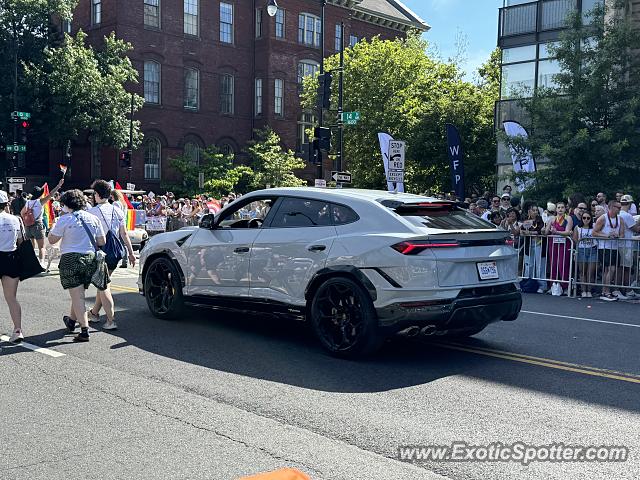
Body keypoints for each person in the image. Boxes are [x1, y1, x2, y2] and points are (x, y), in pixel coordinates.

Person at [48, 189, 107, 342]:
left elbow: (52, 240)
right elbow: (102, 242)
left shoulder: (64, 219)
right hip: (90, 258)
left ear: (67, 204)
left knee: (78, 296)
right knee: (79, 293)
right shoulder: (93, 218)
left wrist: (54, 228)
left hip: (70, 259)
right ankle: (71, 321)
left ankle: (84, 330)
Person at [87, 180, 136, 330]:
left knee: (104, 286)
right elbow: (124, 234)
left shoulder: (92, 212)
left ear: (97, 194)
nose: (93, 196)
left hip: (101, 252)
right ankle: (94, 313)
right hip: (116, 252)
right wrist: (131, 253)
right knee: (103, 283)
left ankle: (110, 320)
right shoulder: (118, 210)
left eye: (94, 193)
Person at [21, 178, 65, 265]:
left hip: (28, 225)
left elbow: (22, 213)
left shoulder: (28, 202)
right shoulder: (40, 201)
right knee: (41, 247)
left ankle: (31, 262)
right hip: (37, 224)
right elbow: (51, 194)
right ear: (40, 194)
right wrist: (58, 186)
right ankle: (41, 263)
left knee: (32, 246)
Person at [0, 190, 25, 343]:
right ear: (6, 204)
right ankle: (18, 330)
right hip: (11, 256)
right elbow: (21, 240)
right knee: (11, 298)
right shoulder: (15, 219)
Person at [593, 200, 624, 301]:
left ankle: (605, 291)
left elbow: (622, 235)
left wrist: (617, 236)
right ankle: (606, 292)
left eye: (620, 207)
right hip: (604, 247)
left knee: (609, 270)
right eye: (617, 207)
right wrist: (607, 235)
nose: (619, 209)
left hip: (614, 247)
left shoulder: (620, 219)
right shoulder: (603, 218)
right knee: (611, 269)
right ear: (611, 207)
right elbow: (594, 233)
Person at [544, 201, 573, 295]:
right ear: (555, 209)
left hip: (565, 245)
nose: (560, 209)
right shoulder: (552, 218)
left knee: (563, 265)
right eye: (558, 208)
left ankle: (565, 287)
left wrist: (556, 232)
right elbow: (546, 233)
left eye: (562, 207)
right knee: (553, 264)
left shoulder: (568, 218)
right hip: (554, 245)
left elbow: (568, 232)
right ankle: (553, 285)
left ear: (565, 209)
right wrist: (546, 227)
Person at [520, 201, 547, 293]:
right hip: (529, 245)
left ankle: (542, 285)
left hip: (539, 244)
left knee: (539, 265)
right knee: (529, 265)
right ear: (529, 211)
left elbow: (541, 231)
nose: (535, 212)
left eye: (536, 210)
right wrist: (524, 232)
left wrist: (530, 233)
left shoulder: (540, 219)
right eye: (533, 210)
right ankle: (530, 283)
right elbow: (522, 231)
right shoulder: (526, 219)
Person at [617, 195, 640, 298]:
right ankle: (626, 290)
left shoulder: (619, 214)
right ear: (630, 204)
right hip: (627, 245)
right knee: (626, 269)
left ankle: (624, 289)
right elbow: (636, 229)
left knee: (622, 268)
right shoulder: (627, 215)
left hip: (621, 244)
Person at [573, 210, 598, 298]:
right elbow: (575, 239)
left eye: (588, 218)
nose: (586, 220)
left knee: (590, 272)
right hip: (581, 250)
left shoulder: (594, 226)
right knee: (582, 271)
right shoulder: (577, 227)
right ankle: (583, 290)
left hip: (592, 250)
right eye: (584, 218)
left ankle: (589, 290)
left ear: (591, 219)